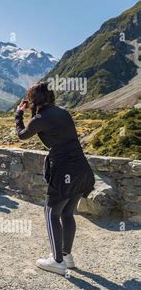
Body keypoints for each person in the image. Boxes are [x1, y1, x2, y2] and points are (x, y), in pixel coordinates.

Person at [15, 82, 94, 275]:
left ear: (34, 99)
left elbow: (21, 135)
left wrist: (19, 114)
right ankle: (67, 256)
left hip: (63, 170)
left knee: (51, 213)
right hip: (81, 169)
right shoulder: (63, 112)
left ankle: (57, 261)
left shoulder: (40, 118)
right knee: (67, 213)